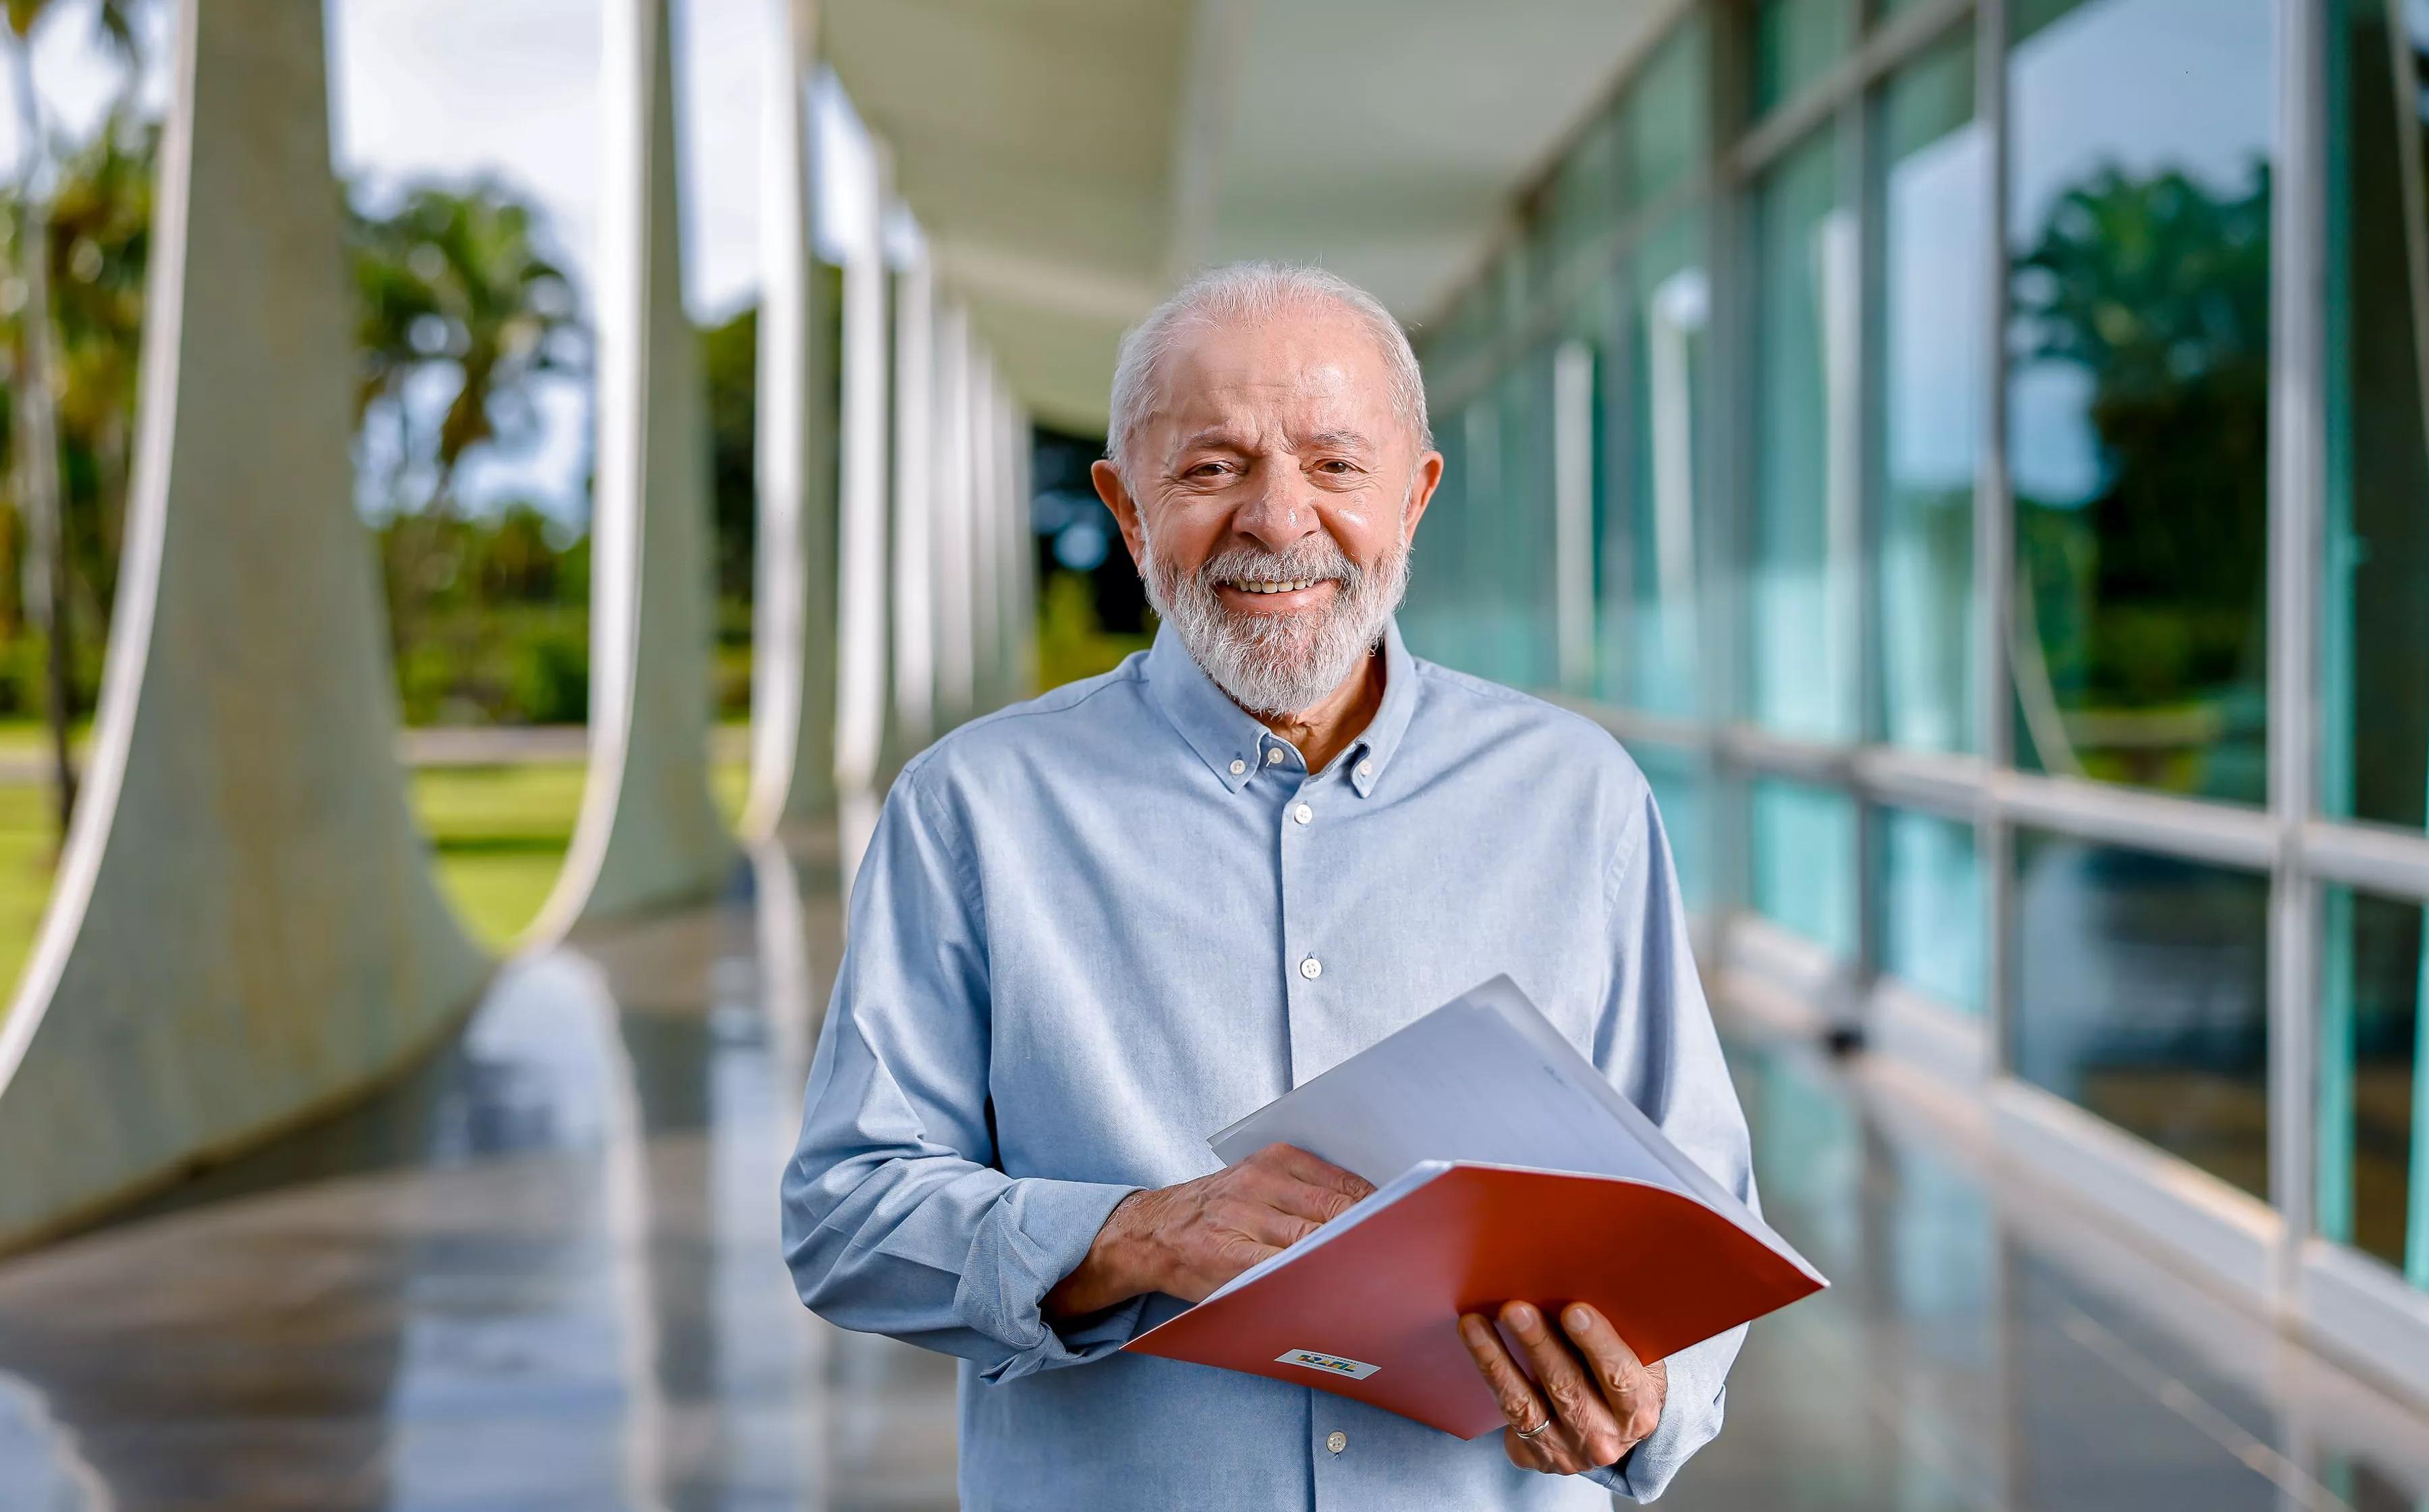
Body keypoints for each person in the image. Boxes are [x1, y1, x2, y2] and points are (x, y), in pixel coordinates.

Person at [781, 260, 1756, 1509]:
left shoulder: (1582, 798)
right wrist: (1133, 1234)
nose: (1278, 519)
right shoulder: (973, 809)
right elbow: (848, 1212)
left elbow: (1702, 1215)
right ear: (1127, 510)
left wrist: (1650, 1396)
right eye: (1211, 467)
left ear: (1415, 497)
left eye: (1336, 465)